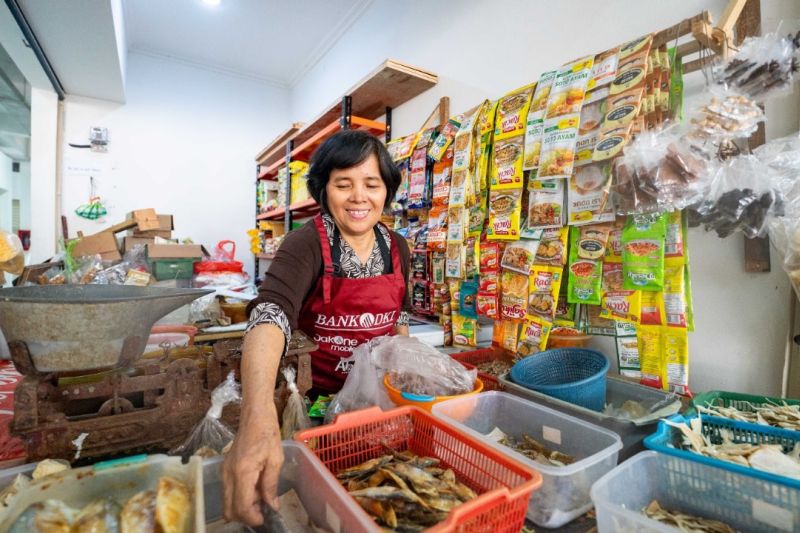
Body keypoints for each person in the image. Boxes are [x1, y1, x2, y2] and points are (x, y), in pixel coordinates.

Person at [223, 130, 411, 525]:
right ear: (324, 190)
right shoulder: (303, 243)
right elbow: (270, 315)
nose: (359, 197)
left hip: (373, 403)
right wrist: (257, 417)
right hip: (312, 405)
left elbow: (399, 321)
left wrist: (405, 384)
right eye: (344, 184)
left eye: (371, 184)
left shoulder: (398, 247)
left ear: (386, 191)